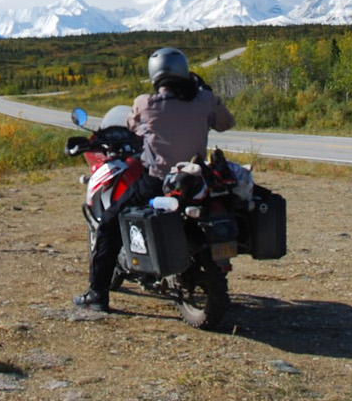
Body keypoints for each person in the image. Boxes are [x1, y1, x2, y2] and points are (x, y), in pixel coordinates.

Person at [74, 47, 235, 312]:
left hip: (157, 182)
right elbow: (226, 123)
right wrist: (208, 96)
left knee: (109, 225)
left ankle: (97, 294)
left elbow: (132, 127)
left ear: (155, 75)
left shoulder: (145, 103)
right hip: (196, 181)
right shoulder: (205, 100)